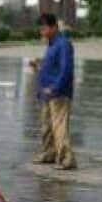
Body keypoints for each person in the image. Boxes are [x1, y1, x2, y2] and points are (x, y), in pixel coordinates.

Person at [29, 13, 77, 170]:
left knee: (59, 127)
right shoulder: (51, 44)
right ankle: (49, 153)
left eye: (44, 28)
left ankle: (67, 158)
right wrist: (39, 65)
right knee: (47, 126)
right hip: (46, 93)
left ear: (54, 27)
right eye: (40, 29)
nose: (41, 32)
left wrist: (55, 87)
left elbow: (66, 70)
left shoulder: (63, 44)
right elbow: (52, 67)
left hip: (59, 94)